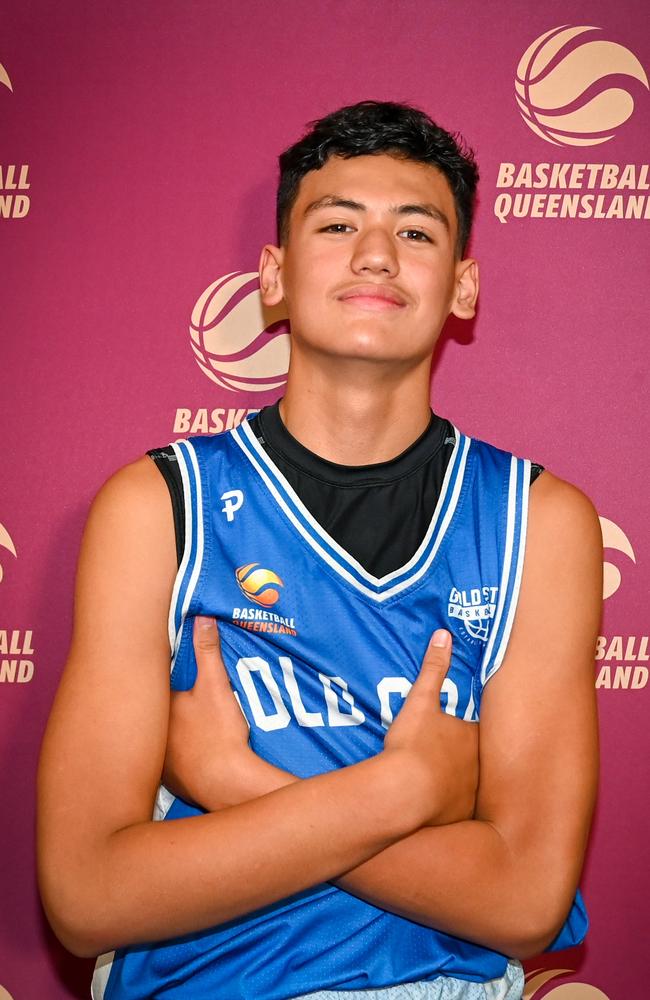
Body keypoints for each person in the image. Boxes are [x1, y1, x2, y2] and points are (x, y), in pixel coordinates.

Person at [37, 101, 602, 1000]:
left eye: (415, 231)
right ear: (274, 276)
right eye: (337, 223)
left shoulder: (539, 522)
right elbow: (85, 896)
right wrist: (405, 789)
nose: (375, 253)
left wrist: (237, 778)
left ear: (462, 285)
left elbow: (528, 900)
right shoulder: (159, 508)